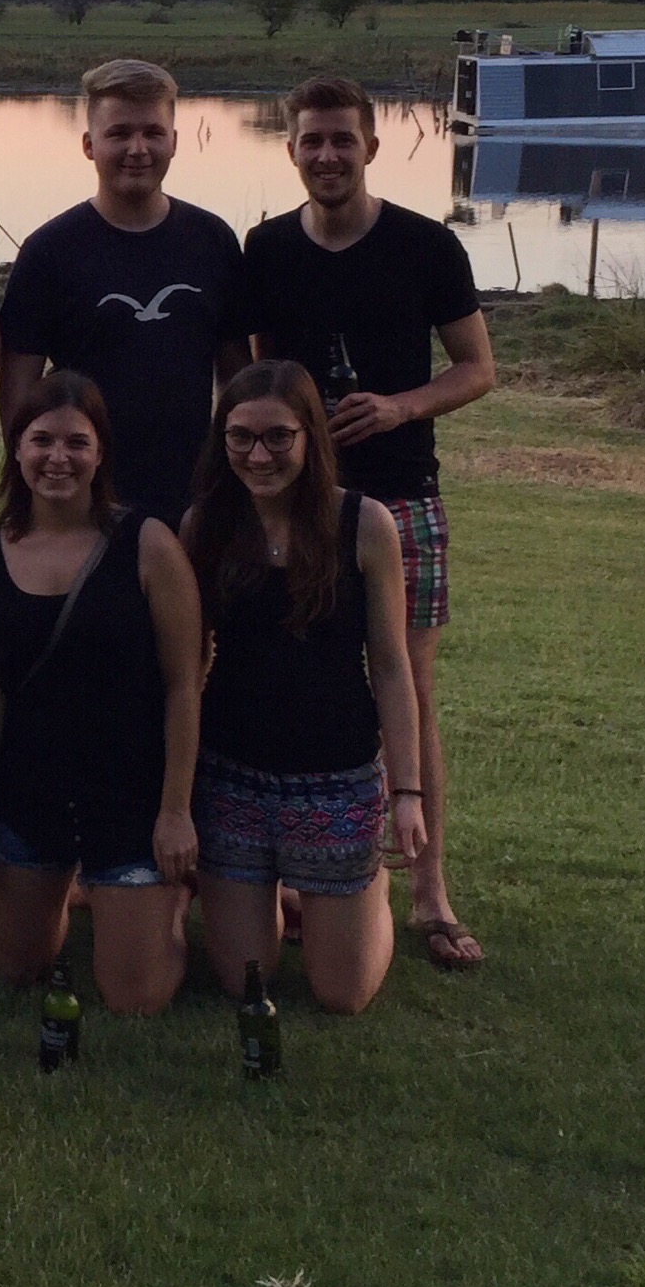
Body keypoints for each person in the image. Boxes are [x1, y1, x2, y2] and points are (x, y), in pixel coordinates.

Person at [241, 76, 495, 971]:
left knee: (409, 685)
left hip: (402, 494)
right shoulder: (267, 248)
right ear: (290, 150)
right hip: (295, 502)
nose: (327, 156)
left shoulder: (426, 245)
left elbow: (476, 368)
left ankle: (429, 891)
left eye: (342, 140)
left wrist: (398, 407)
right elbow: (260, 373)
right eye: (311, 141)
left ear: (372, 148)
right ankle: (290, 876)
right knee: (282, 675)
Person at [0, 371, 205, 1015]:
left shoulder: (148, 544)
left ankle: (163, 907)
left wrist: (175, 811)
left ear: (101, 453)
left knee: (134, 997)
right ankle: (79, 893)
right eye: (42, 441)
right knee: (15, 968)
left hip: (129, 797)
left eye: (76, 443)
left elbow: (184, 686)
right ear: (16, 449)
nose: (57, 458)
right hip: (29, 794)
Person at [181, 361, 426, 1015]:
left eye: (278, 437)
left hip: (336, 776)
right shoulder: (204, 526)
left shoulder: (364, 524)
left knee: (341, 995)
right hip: (231, 775)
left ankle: (365, 892)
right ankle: (292, 890)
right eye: (240, 437)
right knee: (245, 980)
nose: (258, 456)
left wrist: (406, 793)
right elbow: (186, 665)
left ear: (310, 436)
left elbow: (392, 666)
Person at [0, 59, 249, 528]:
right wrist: (35, 489)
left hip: (193, 501)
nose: (138, 149)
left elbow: (236, 378)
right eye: (119, 134)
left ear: (175, 141)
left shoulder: (212, 240)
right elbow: (18, 392)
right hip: (84, 498)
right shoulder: (50, 251)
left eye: (153, 133)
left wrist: (232, 481)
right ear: (89, 145)